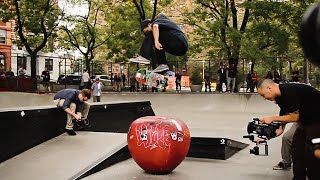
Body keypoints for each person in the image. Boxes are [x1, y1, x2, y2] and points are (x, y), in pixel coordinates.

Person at [257, 79, 320, 180]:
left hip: (317, 120)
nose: (264, 98)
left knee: (310, 153)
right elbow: (285, 114)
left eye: (263, 95)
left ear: (269, 88)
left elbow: (295, 117)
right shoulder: (279, 97)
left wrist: (272, 118)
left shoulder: (289, 92)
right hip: (306, 121)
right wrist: (276, 131)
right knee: (296, 150)